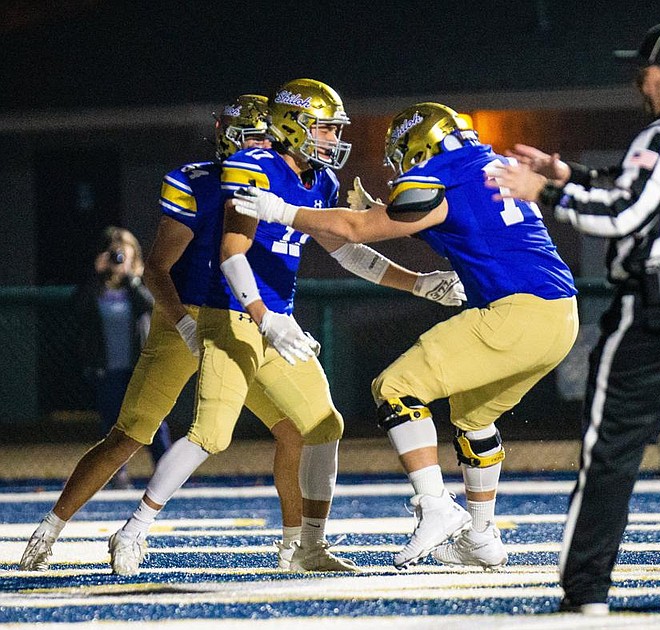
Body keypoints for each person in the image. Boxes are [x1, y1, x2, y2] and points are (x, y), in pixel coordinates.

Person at [107, 80, 467, 576]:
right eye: (323, 128)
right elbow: (231, 253)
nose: (331, 138)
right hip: (235, 313)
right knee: (211, 433)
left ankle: (307, 548)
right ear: (292, 124)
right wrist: (264, 316)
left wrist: (417, 284)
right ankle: (133, 529)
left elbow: (347, 250)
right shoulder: (253, 165)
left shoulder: (318, 182)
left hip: (276, 320)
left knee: (324, 426)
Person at [231, 102, 579, 570]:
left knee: (394, 388)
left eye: (405, 154)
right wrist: (380, 215)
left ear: (422, 142)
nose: (405, 166)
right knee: (473, 417)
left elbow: (354, 230)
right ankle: (480, 537)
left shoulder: (442, 171)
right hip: (559, 317)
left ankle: (435, 506)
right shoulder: (487, 165)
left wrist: (284, 210)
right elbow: (442, 221)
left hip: (515, 311)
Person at [486, 23, 660, 616]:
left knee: (609, 450)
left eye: (645, 71)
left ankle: (586, 591)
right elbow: (642, 193)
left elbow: (624, 213)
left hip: (657, 312)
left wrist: (544, 193)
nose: (639, 81)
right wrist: (566, 174)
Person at [19, 95, 308, 572]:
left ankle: (297, 545)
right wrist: (184, 322)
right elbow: (156, 268)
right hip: (189, 316)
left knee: (295, 428)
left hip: (246, 321)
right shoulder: (196, 181)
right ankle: (50, 528)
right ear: (229, 136)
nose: (262, 149)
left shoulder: (286, 181)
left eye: (268, 139)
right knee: (130, 435)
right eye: (254, 138)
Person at [74, 226, 170, 489]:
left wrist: (129, 278)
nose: (117, 260)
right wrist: (97, 274)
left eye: (122, 255)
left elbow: (150, 306)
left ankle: (166, 474)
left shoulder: (140, 284)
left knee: (154, 421)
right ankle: (118, 475)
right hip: (108, 369)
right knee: (113, 424)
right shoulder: (95, 289)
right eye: (113, 254)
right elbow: (78, 310)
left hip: (140, 366)